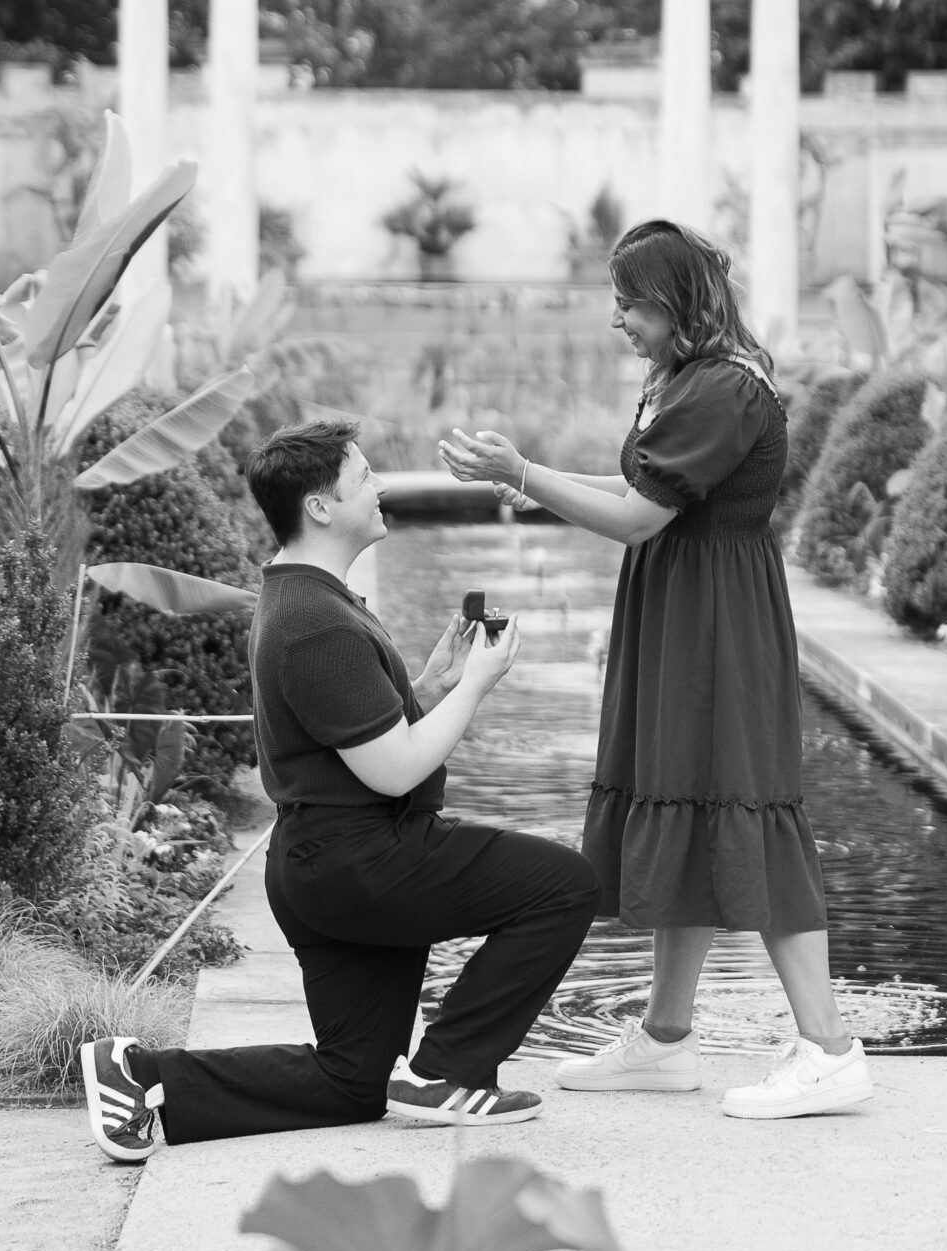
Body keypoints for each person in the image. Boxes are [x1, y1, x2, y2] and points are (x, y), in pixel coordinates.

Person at [440, 218, 871, 1122]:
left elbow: (638, 520)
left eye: (628, 303)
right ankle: (666, 1039)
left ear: (673, 302)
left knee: (744, 807)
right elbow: (642, 502)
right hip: (684, 606)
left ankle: (829, 1051)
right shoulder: (686, 377)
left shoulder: (722, 389)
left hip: (715, 619)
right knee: (690, 801)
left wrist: (522, 468)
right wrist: (524, 477)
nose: (616, 321)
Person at [79, 415, 599, 1162]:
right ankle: (448, 1074)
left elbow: (353, 736)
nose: (380, 486)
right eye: (363, 478)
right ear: (320, 506)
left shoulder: (305, 598)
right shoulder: (314, 620)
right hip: (365, 860)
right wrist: (477, 687)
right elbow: (393, 770)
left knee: (351, 1080)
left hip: (328, 865)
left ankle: (139, 1074)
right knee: (562, 886)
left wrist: (431, 683)